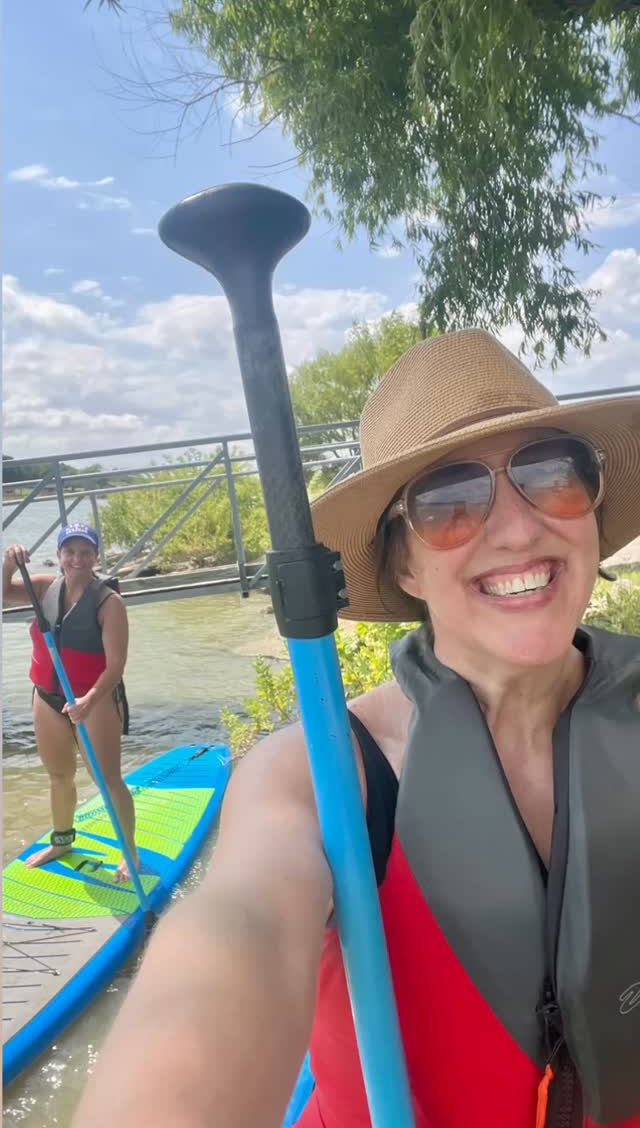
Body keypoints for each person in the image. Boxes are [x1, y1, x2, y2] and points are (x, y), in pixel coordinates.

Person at [74, 331, 640, 1127]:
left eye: (553, 474)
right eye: (450, 501)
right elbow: (243, 931)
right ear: (403, 567)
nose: (517, 531)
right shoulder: (322, 776)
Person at [3, 522, 138, 883]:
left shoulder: (111, 604)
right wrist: (9, 563)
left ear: (95, 556)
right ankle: (62, 842)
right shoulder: (45, 587)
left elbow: (116, 665)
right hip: (47, 698)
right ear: (60, 555)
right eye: (70, 551)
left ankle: (130, 852)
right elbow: (3, 591)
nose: (77, 558)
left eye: (86, 552)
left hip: (94, 699)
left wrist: (90, 700)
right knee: (59, 776)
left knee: (108, 780)